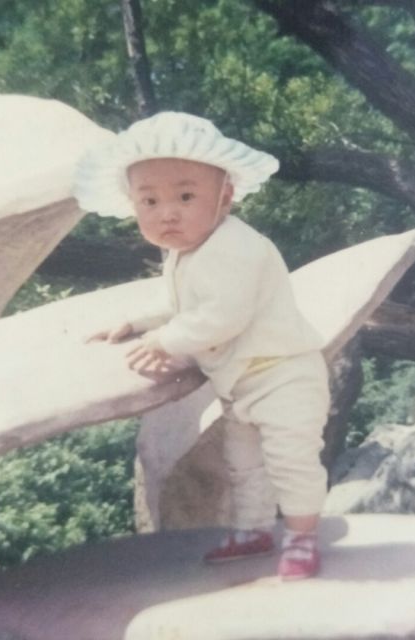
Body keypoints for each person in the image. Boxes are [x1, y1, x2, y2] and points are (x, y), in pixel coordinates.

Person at [74, 112, 330, 580]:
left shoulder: (236, 246)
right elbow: (180, 304)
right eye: (149, 200)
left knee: (290, 460)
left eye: (186, 196)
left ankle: (302, 539)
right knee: (243, 465)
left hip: (283, 374)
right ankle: (253, 530)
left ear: (225, 197)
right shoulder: (184, 253)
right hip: (241, 382)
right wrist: (137, 322)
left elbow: (223, 315)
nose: (167, 212)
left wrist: (166, 341)